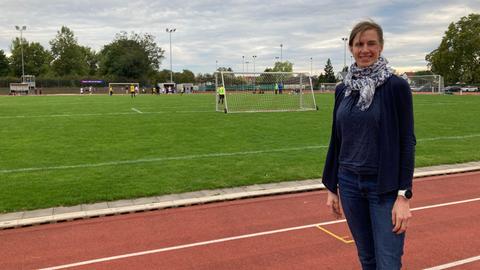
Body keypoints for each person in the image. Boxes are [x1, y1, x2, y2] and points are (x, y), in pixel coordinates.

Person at [322, 20, 416, 270]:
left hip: (384, 187)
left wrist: (403, 196)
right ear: (351, 48)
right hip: (350, 183)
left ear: (381, 47)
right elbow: (337, 137)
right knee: (367, 259)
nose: (365, 49)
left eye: (371, 43)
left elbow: (407, 141)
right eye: (359, 44)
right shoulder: (343, 89)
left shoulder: (396, 86)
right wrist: (332, 186)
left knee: (388, 262)